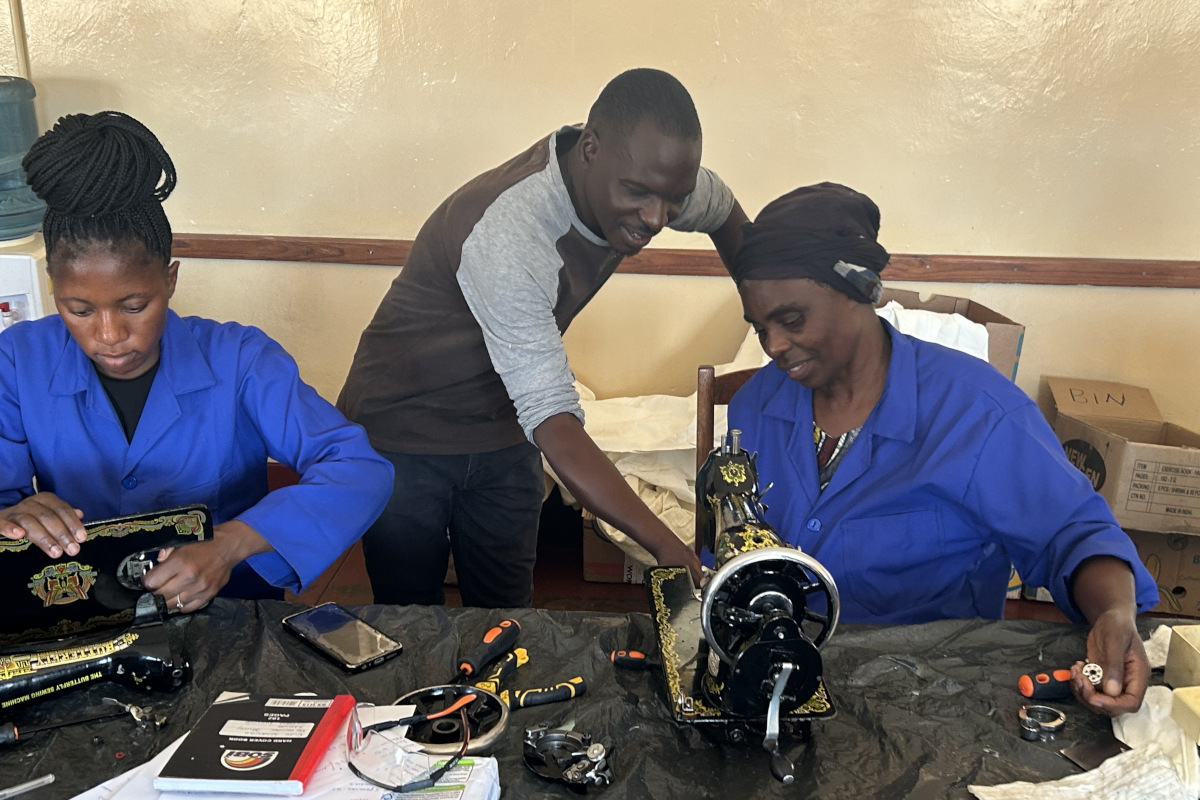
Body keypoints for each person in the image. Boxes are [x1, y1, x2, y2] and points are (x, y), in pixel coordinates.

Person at [725, 182, 1158, 716]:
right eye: (759, 327)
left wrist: (1114, 614)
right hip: (776, 687)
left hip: (924, 704)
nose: (773, 346)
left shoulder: (977, 414)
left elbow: (1073, 534)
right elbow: (732, 546)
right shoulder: (753, 410)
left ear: (863, 289)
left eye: (791, 320)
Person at [339, 68, 747, 607]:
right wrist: (669, 549)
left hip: (502, 421)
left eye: (673, 200)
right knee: (411, 615)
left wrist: (769, 315)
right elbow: (555, 421)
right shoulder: (508, 229)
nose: (655, 218)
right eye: (639, 194)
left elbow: (728, 217)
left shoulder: (653, 176)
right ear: (591, 150)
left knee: (509, 614)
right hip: (406, 428)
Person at [0, 110, 393, 611]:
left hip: (232, 608)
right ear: (55, 291)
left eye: (134, 306)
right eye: (78, 310)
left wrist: (230, 544)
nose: (110, 336)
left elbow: (360, 469)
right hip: (78, 611)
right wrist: (14, 516)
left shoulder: (241, 360)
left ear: (171, 279)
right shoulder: (16, 361)